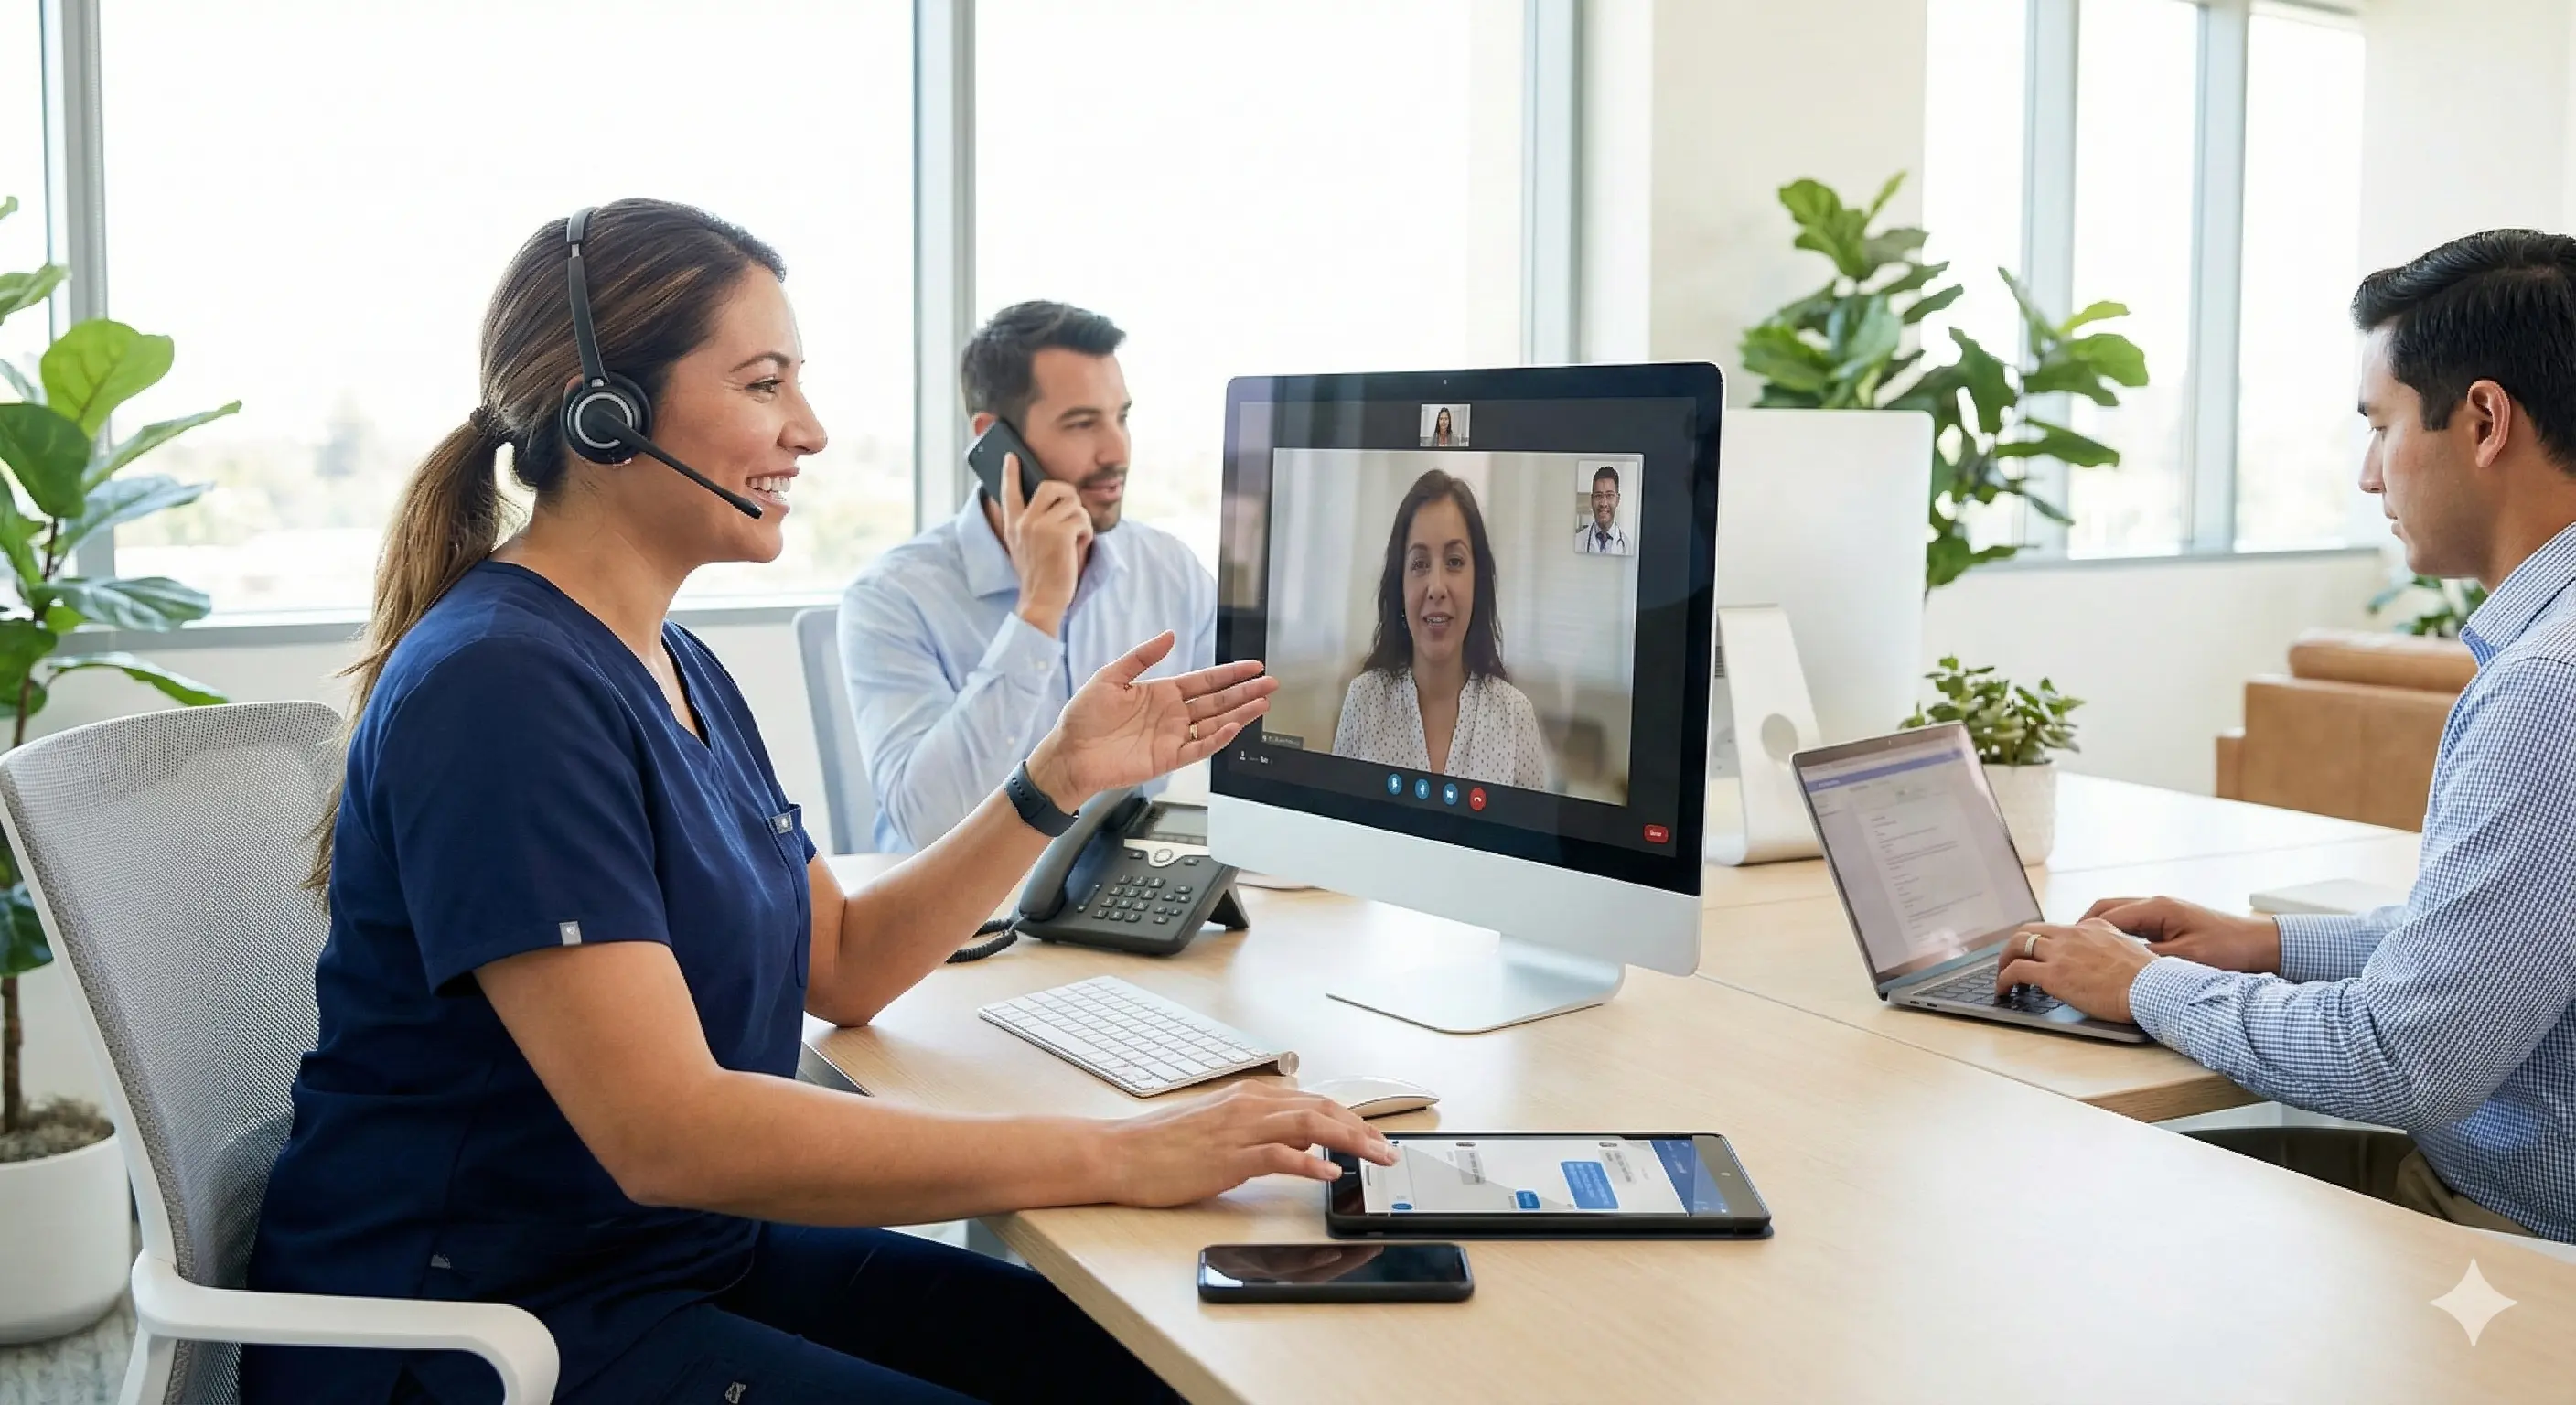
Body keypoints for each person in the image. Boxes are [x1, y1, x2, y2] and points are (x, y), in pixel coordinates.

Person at [244, 200, 1395, 1405]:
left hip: (669, 1257)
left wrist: (1053, 779)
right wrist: (1115, 1155)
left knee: (1157, 1371)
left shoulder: (669, 664)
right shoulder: (501, 688)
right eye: (763, 383)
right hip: (489, 1324)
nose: (811, 429)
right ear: (607, 414)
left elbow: (840, 961)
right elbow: (669, 1133)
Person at [1991, 229, 2576, 1245]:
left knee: (2061, 1205)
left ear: (2482, 420)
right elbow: (2502, 954)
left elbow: (2407, 1058)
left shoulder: (2546, 689)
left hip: (2506, 1243)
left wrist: (2143, 983)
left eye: (2379, 424)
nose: (2365, 474)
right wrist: (2269, 945)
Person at [839, 302, 1216, 853]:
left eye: (1122, 417)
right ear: (996, 441)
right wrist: (1039, 610)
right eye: (1083, 424)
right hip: (958, 922)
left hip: (1111, 901)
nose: (1116, 451)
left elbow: (1234, 746)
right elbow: (931, 824)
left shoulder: (1171, 572)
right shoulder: (893, 597)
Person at [1333, 469, 1551, 788]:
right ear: (1400, 585)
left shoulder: (1516, 718)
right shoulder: (1364, 702)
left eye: (1454, 562)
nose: (1436, 587)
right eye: (1419, 564)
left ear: (1478, 581)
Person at [1575, 465, 1632, 555]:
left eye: (1609, 495)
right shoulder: (1577, 541)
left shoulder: (1628, 546)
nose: (1603, 503)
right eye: (1598, 495)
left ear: (1617, 500)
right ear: (1592, 499)